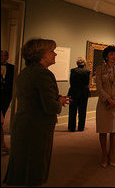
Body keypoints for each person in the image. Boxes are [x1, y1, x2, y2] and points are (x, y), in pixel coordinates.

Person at [3, 38, 70, 186]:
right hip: (37, 128)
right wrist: (59, 102)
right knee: (35, 168)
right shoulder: (43, 74)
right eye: (51, 51)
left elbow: (34, 96)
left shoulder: (26, 72)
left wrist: (56, 97)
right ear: (41, 54)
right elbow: (51, 107)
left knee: (22, 166)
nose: (55, 54)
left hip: (24, 124)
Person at [95, 46, 115, 168]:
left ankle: (111, 154)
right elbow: (99, 87)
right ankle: (104, 154)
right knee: (103, 130)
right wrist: (107, 99)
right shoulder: (99, 69)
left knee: (114, 130)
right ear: (106, 56)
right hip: (103, 103)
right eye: (111, 54)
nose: (113, 56)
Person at [67, 57, 91, 132]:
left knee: (72, 111)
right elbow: (87, 83)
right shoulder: (87, 71)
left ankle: (72, 127)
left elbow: (71, 82)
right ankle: (81, 127)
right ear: (84, 63)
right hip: (84, 93)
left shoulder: (73, 70)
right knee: (82, 111)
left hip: (74, 92)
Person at [1, 50, 14, 118]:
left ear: (7, 57)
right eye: (1, 56)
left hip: (7, 92)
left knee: (4, 109)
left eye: (5, 56)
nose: (3, 57)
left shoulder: (12, 67)